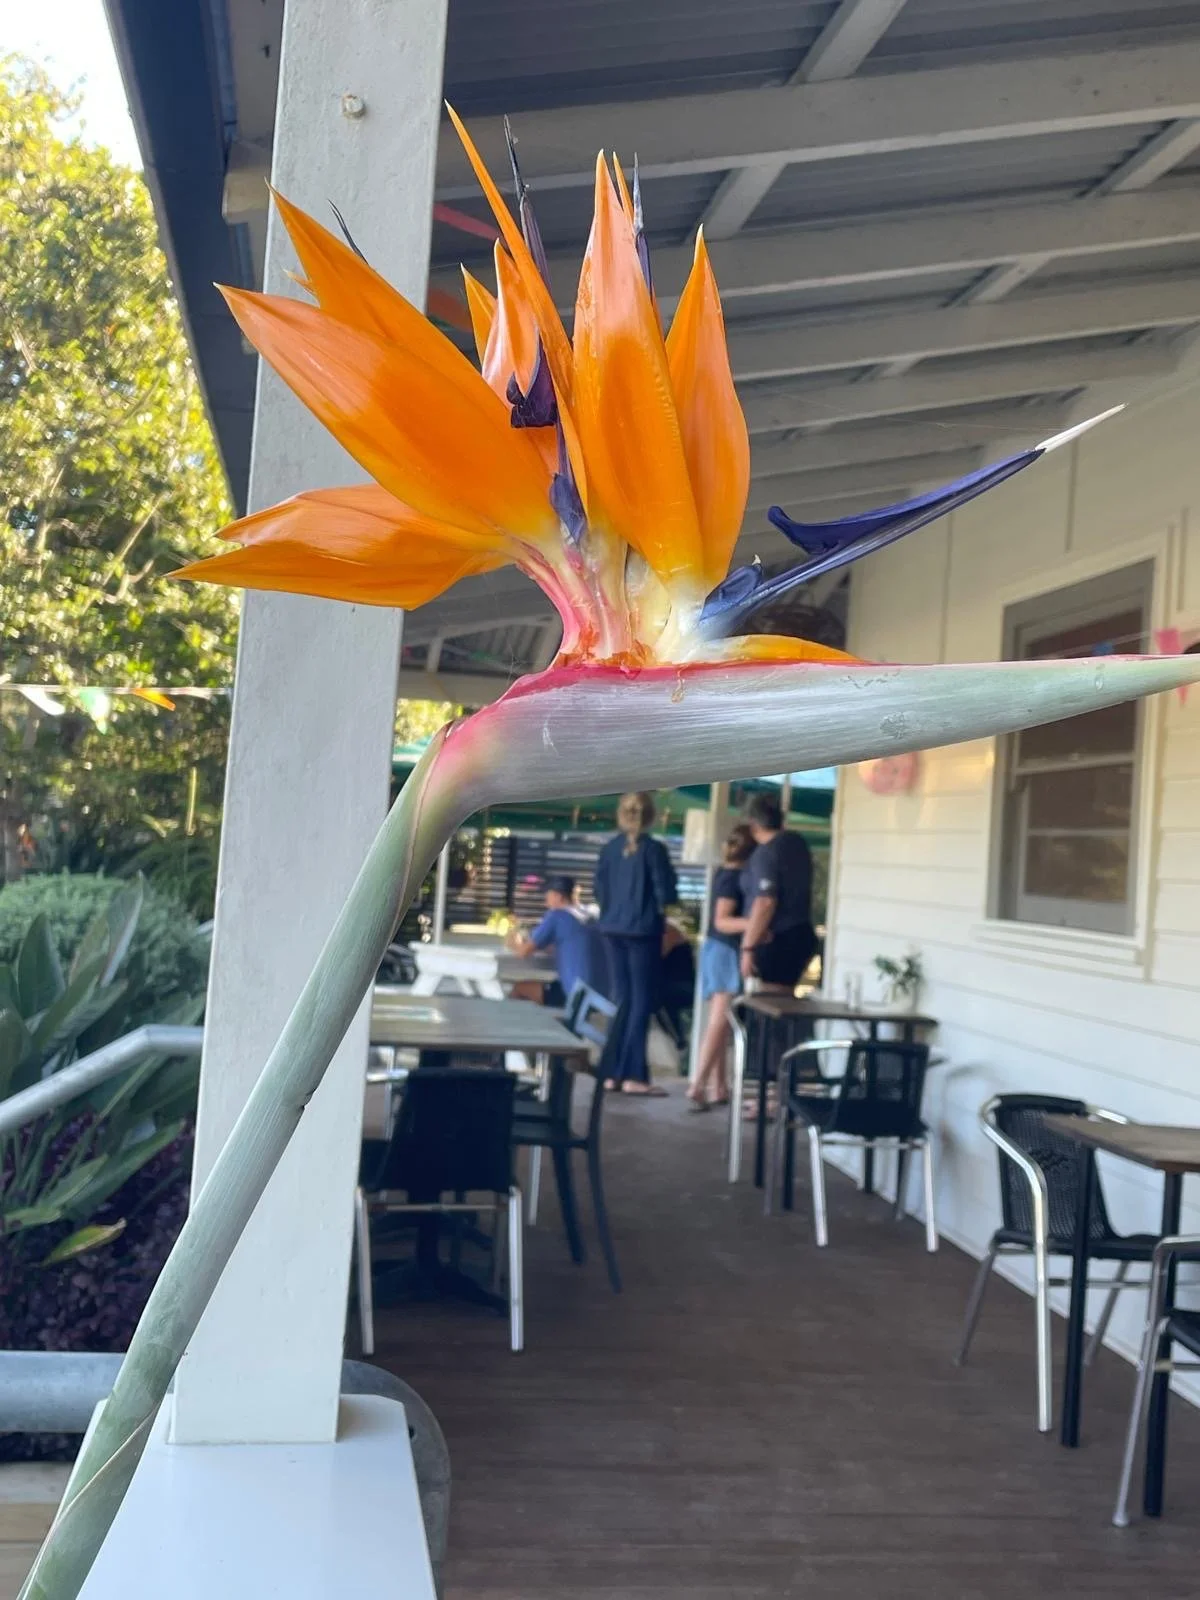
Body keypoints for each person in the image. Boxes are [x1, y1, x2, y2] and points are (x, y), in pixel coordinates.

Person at [595, 792, 677, 1096]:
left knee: (622, 999)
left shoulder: (609, 850)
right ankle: (634, 1075)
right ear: (651, 815)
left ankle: (611, 1072)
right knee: (641, 1001)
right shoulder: (654, 850)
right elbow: (665, 893)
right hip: (643, 932)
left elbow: (599, 891)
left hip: (612, 930)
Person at [688, 822, 755, 1111]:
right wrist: (756, 925)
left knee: (723, 1021)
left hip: (716, 950)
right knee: (719, 1018)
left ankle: (719, 1087)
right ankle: (698, 1084)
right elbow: (722, 920)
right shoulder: (733, 878)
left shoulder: (724, 872)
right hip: (726, 950)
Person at [739, 794, 817, 992]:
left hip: (777, 939)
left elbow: (765, 902)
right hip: (802, 932)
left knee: (767, 1005)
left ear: (753, 824)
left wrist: (748, 947)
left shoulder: (766, 853)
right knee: (785, 1003)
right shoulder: (797, 843)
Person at [509, 875, 608, 1004]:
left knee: (520, 988)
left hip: (578, 996)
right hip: (604, 993)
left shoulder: (557, 916)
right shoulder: (594, 912)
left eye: (547, 895)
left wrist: (513, 942)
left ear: (558, 896)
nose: (545, 901)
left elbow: (523, 952)